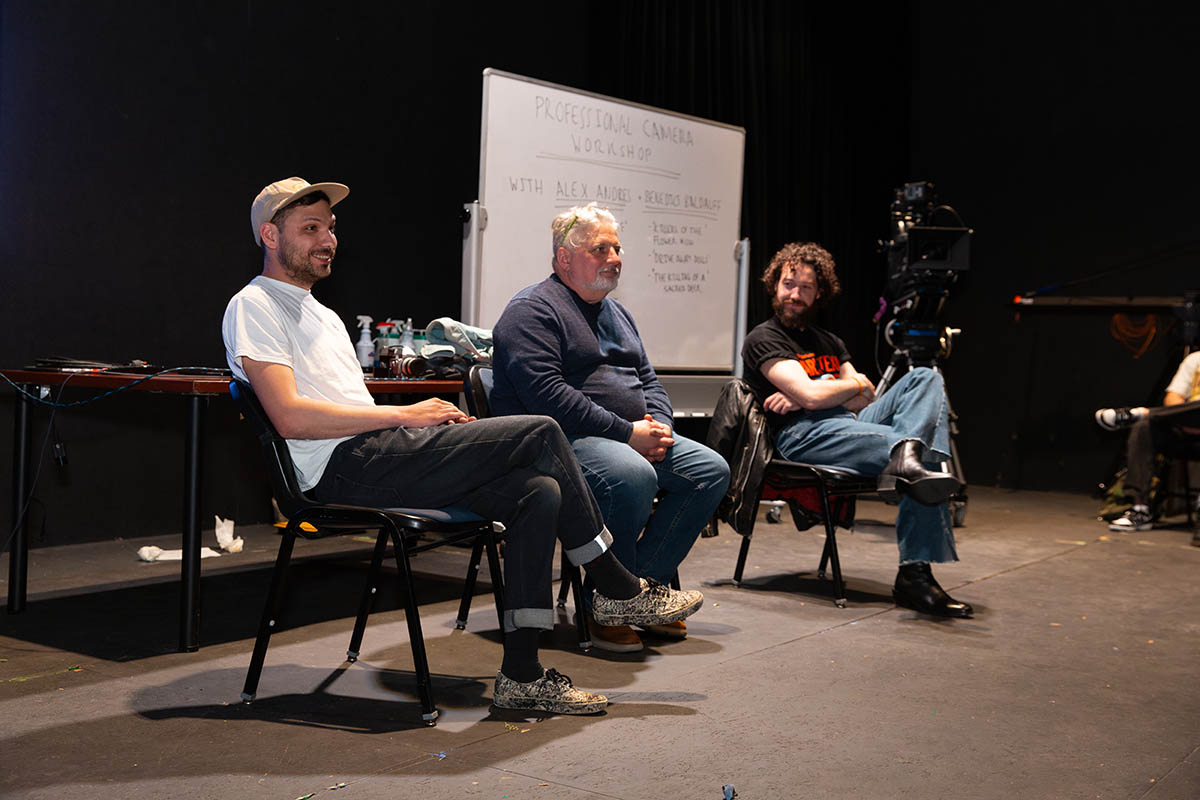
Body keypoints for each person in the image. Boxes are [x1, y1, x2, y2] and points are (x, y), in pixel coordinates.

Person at [222, 177, 704, 715]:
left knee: (537, 492)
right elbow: (288, 417)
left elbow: (348, 413)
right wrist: (407, 414)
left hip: (378, 450)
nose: (328, 239)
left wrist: (423, 428)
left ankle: (522, 675)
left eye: (330, 228)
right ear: (270, 234)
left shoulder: (322, 313)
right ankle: (616, 584)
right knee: (541, 429)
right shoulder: (256, 304)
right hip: (334, 469)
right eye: (310, 229)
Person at [490, 203, 730, 651]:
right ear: (564, 258)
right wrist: (626, 434)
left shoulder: (618, 313)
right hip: (555, 442)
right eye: (600, 248)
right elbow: (548, 396)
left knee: (710, 470)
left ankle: (634, 592)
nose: (614, 258)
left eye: (617, 248)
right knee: (631, 475)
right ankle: (611, 598)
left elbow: (648, 380)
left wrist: (656, 426)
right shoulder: (532, 311)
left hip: (623, 434)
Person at [740, 241, 974, 618]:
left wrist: (820, 392)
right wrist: (829, 391)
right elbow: (826, 393)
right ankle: (915, 573)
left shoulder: (829, 341)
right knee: (924, 457)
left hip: (851, 426)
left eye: (806, 287)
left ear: (820, 293)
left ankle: (905, 459)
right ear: (774, 286)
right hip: (803, 437)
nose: (795, 295)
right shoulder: (763, 339)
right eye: (788, 284)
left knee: (925, 379)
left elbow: (864, 398)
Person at [1095, 350, 1200, 535]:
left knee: (1145, 418)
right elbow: (1173, 397)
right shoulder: (1195, 359)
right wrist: (1186, 420)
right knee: (1143, 428)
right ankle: (1140, 510)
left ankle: (1139, 413)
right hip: (1186, 432)